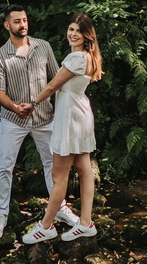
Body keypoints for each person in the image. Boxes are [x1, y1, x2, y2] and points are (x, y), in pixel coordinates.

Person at [0, 5, 81, 239]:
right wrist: (14, 108)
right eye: (17, 21)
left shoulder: (43, 47)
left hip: (44, 118)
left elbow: (56, 79)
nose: (23, 25)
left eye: (25, 20)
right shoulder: (0, 56)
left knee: (53, 165)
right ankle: (2, 215)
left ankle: (59, 209)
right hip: (12, 119)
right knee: (5, 167)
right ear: (7, 26)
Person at [21, 12, 103, 244]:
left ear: (87, 35)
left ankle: (45, 226)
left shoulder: (77, 58)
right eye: (70, 29)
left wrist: (33, 104)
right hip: (79, 114)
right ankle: (86, 223)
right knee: (84, 169)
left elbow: (52, 86)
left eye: (78, 30)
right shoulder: (86, 56)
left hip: (70, 119)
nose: (73, 34)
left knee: (59, 176)